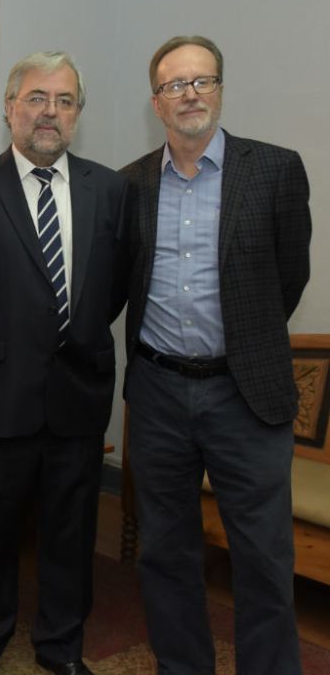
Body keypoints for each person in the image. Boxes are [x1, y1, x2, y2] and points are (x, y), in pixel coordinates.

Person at [122, 35, 311, 674]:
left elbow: (290, 279)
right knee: (165, 553)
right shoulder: (131, 184)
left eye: (204, 80)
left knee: (261, 557)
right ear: (156, 102)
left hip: (246, 393)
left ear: (222, 89)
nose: (192, 94)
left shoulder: (276, 169)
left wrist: (247, 343)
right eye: (176, 85)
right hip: (157, 393)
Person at [0, 52, 127, 675]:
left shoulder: (110, 188)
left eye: (64, 100)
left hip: (78, 389)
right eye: (36, 98)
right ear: (9, 107)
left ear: (78, 112)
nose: (49, 112)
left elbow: (114, 286)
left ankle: (61, 646)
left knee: (71, 534)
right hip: (0, 390)